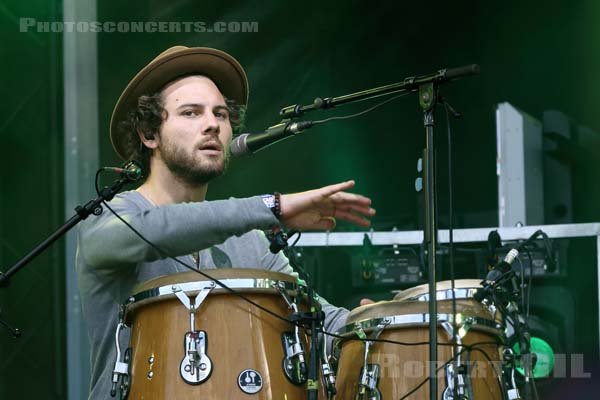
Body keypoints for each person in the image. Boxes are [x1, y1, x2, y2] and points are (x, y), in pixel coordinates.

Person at [76, 46, 375, 399]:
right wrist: (272, 206)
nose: (212, 125)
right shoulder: (110, 216)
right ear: (149, 134)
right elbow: (157, 230)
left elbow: (315, 320)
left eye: (220, 114)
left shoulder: (249, 241)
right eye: (190, 112)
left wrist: (375, 320)